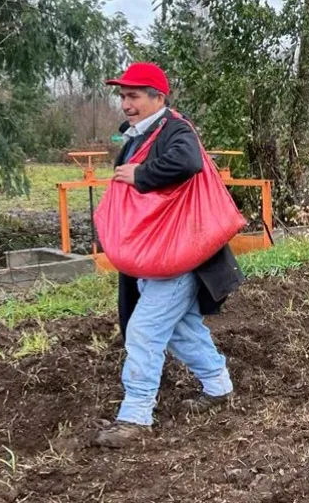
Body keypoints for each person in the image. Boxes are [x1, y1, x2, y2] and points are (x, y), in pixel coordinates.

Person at [93, 62, 245, 448]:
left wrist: (140, 174)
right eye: (123, 96)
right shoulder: (138, 136)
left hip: (177, 258)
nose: (126, 104)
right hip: (157, 254)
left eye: (134, 96)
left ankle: (135, 416)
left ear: (157, 98)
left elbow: (188, 162)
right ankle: (218, 387)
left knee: (144, 331)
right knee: (181, 329)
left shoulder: (175, 129)